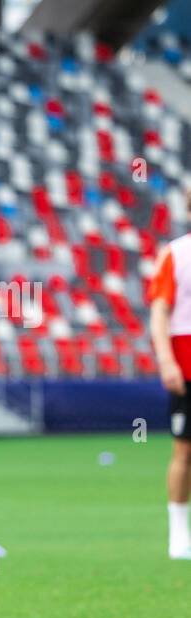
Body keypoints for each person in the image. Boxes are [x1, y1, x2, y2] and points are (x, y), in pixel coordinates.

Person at [149, 197, 191, 559]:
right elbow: (159, 311)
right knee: (185, 449)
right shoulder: (176, 254)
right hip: (186, 359)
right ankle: (179, 532)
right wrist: (166, 360)